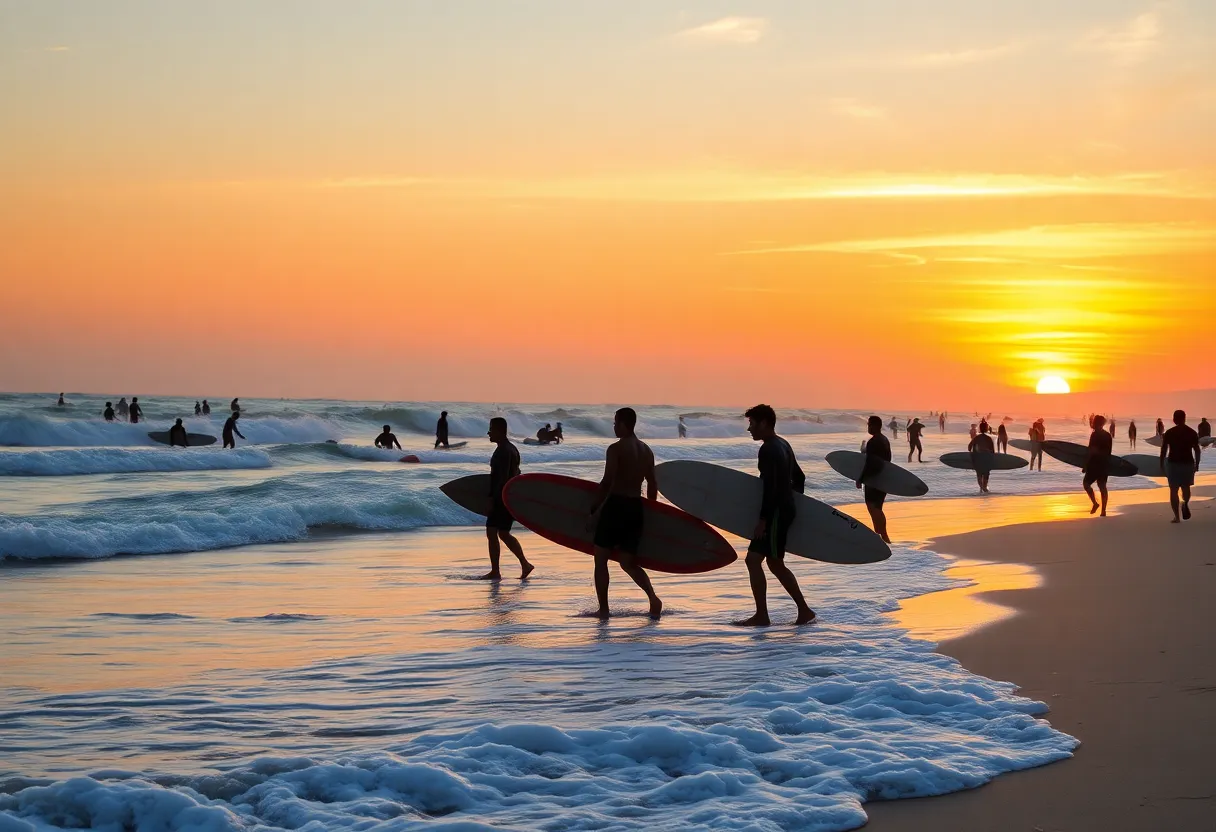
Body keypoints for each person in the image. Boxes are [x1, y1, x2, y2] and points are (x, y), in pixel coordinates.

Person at [734, 404, 815, 627]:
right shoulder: (783, 444)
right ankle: (803, 611)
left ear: (764, 423)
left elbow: (771, 488)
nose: (749, 429)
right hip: (783, 510)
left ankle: (763, 616)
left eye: (752, 423)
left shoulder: (769, 449)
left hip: (776, 513)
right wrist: (794, 504)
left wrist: (763, 519)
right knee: (774, 563)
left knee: (754, 560)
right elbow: (800, 478)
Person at [587, 407, 662, 619]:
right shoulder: (646, 450)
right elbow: (652, 484)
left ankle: (604, 609)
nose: (613, 426)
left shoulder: (616, 449)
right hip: (635, 508)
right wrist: (652, 511)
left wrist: (594, 510)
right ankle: (653, 598)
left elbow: (607, 482)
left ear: (624, 424)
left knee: (600, 560)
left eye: (615, 422)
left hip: (616, 507)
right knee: (628, 562)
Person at [482, 417, 534, 580]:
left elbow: (500, 478)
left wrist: (492, 499)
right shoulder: (512, 449)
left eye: (491, 429)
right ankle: (525, 564)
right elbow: (517, 474)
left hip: (501, 498)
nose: (488, 432)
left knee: (492, 532)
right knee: (503, 533)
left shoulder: (502, 451)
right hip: (509, 497)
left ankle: (495, 571)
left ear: (499, 430)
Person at [1160, 410, 1201, 523]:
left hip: (1173, 463)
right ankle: (1185, 503)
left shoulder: (1169, 432)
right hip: (1188, 463)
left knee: (1173, 489)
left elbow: (1164, 449)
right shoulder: (1192, 432)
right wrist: (1197, 463)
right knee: (1186, 487)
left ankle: (1177, 517)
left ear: (1174, 419)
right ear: (1184, 418)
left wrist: (1161, 463)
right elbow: (1197, 450)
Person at [856, 415, 892, 544]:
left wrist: (861, 479)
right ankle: (884, 537)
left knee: (873, 508)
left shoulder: (873, 441)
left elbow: (871, 463)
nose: (868, 427)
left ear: (876, 426)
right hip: (883, 478)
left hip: (873, 479)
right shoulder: (884, 440)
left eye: (870, 425)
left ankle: (881, 537)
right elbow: (885, 460)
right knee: (878, 508)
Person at [1082, 415, 1113, 517]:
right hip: (1103, 464)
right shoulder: (1107, 435)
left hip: (1095, 464)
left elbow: (1091, 451)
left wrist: (1085, 465)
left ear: (1098, 424)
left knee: (1090, 485)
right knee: (1099, 486)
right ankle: (1099, 507)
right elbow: (1108, 452)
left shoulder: (1095, 435)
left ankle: (1100, 508)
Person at [968, 424, 995, 493]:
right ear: (987, 429)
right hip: (986, 460)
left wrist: (975, 450)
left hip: (978, 460)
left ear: (980, 429)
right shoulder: (989, 439)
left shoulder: (976, 438)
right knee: (985, 476)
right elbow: (992, 452)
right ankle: (985, 492)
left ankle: (982, 491)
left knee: (979, 475)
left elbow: (969, 447)